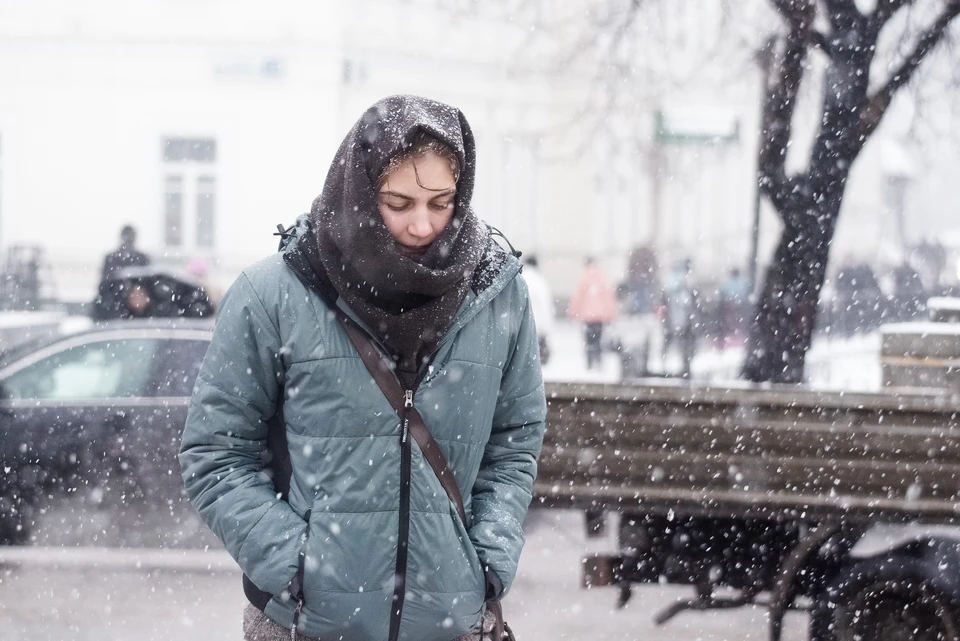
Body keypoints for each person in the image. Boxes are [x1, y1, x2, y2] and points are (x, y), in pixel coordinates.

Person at [179, 95, 546, 641]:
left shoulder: (499, 295)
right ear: (359, 187)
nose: (422, 224)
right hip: (302, 624)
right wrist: (296, 564)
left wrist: (486, 557)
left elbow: (513, 441)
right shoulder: (273, 293)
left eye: (442, 201)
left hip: (446, 625)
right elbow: (215, 452)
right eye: (399, 202)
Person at [568, 257, 618, 370]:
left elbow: (578, 297)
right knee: (598, 339)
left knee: (588, 340)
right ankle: (598, 360)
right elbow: (608, 297)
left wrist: (573, 312)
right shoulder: (602, 278)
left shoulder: (583, 278)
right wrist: (610, 313)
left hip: (587, 316)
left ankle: (589, 362)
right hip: (600, 316)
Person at [94, 225, 151, 318]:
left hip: (115, 311)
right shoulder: (142, 259)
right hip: (127, 312)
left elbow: (103, 286)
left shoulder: (111, 259)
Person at [661, 258, 699, 378]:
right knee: (681, 342)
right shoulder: (686, 282)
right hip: (681, 318)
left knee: (673, 341)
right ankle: (682, 366)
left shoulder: (673, 282)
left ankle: (671, 365)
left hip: (676, 318)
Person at [521, 255, 555, 365]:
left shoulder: (520, 278)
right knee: (536, 362)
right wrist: (545, 329)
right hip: (537, 325)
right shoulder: (540, 282)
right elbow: (545, 307)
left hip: (521, 325)